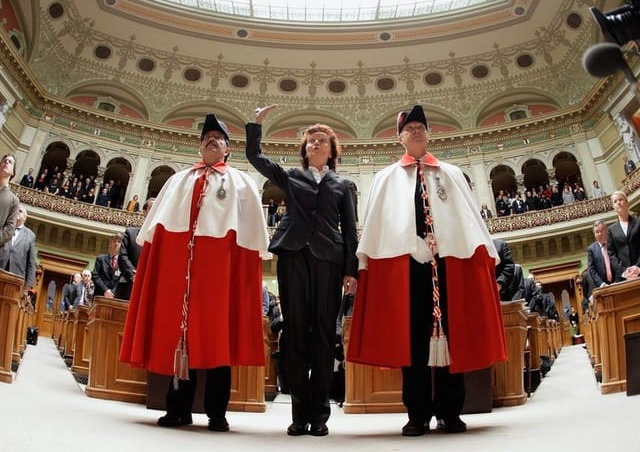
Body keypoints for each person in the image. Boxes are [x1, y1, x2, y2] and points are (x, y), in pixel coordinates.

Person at [347, 105, 506, 436]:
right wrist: (410, 243)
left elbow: (467, 219)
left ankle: (451, 411)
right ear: (399, 137)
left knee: (453, 336)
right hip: (406, 268)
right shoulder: (385, 177)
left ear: (429, 134)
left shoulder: (451, 173)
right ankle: (417, 414)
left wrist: (444, 243)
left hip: (449, 263)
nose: (416, 131)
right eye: (410, 128)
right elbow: (379, 224)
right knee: (413, 341)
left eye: (421, 126)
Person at [120, 113, 270, 433]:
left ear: (228, 149)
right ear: (200, 147)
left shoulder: (242, 182)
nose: (211, 140)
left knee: (218, 338)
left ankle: (217, 413)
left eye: (218, 138)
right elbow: (155, 233)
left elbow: (251, 238)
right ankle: (179, 410)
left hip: (219, 275)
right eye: (206, 138)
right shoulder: (178, 180)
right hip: (180, 272)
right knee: (180, 338)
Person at [246, 104, 359, 437]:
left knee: (324, 336)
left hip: (329, 260)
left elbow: (350, 230)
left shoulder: (343, 185)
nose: (315, 143)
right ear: (304, 149)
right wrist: (256, 124)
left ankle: (320, 416)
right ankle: (298, 413)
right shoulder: (292, 176)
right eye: (311, 140)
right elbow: (257, 158)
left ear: (332, 149)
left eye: (322, 139)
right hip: (293, 255)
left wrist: (351, 270)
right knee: (295, 333)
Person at [117, 198, 155, 300]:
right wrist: (134, 275)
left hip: (150, 289)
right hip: (128, 286)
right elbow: (122, 256)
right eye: (151, 208)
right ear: (144, 212)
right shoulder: (130, 233)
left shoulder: (162, 238)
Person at [0, 204, 36, 294]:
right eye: (15, 210)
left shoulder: (30, 235)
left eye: (20, 211)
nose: (17, 212)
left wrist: (28, 284)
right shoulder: (3, 227)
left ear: (24, 218)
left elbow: (31, 263)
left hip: (16, 278)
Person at [607, 190, 640, 281]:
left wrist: (638, 267)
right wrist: (624, 272)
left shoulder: (638, 222)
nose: (618, 203)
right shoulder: (611, 230)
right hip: (623, 277)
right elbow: (611, 255)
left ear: (626, 202)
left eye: (620, 199)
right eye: (615, 201)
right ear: (614, 207)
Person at [91, 233, 122, 299]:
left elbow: (122, 279)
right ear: (110, 243)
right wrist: (106, 290)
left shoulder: (123, 262)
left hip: (115, 297)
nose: (116, 243)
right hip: (100, 295)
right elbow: (95, 275)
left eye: (119, 242)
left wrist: (113, 292)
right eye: (114, 241)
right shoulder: (100, 258)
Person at [587, 219, 615, 289]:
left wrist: (617, 281)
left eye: (602, 231)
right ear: (594, 234)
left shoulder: (613, 243)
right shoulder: (591, 249)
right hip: (602, 287)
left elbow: (619, 261)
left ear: (606, 230)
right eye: (597, 232)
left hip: (617, 282)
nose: (600, 234)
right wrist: (602, 284)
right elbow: (591, 269)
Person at [0, 154, 19, 248]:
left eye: (10, 162)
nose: (6, 162)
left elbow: (9, 230)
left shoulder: (14, 200)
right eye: (4, 161)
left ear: (13, 172)